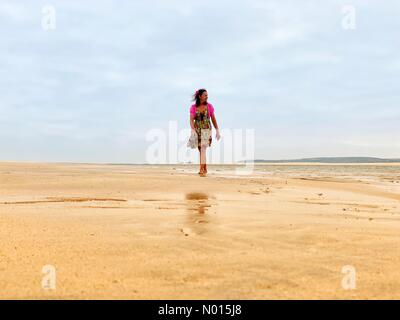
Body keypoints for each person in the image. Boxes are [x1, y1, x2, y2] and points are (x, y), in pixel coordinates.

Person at [189, 89, 220, 177]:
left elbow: (213, 119)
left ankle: (201, 169)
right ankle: (205, 167)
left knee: (203, 149)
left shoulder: (209, 106)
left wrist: (217, 129)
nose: (207, 96)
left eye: (207, 95)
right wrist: (193, 129)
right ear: (200, 96)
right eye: (205, 95)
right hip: (197, 129)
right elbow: (191, 120)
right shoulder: (193, 107)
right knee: (200, 150)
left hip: (207, 129)